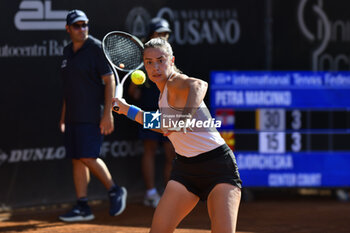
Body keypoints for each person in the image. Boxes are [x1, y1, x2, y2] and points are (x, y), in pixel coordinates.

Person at [113, 38, 242, 233]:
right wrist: (126, 110)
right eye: (149, 62)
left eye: (160, 60)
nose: (155, 67)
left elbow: (199, 85)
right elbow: (163, 126)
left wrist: (184, 117)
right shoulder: (162, 94)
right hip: (185, 170)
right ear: (144, 66)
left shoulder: (175, 82)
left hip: (218, 166)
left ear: (171, 61)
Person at [58, 9, 127, 222]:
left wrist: (108, 115)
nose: (82, 29)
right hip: (72, 115)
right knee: (77, 160)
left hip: (91, 115)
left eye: (85, 24)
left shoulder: (96, 48)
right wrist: (63, 116)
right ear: (68, 29)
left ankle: (115, 190)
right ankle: (83, 206)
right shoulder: (67, 51)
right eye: (77, 25)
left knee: (88, 156)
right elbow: (68, 88)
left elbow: (109, 81)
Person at [128, 17, 175, 208]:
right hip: (150, 111)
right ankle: (150, 193)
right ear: (151, 34)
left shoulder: (169, 56)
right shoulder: (145, 58)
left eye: (166, 33)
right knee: (150, 149)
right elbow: (133, 90)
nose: (164, 36)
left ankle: (170, 194)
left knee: (171, 153)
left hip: (169, 111)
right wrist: (140, 92)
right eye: (160, 33)